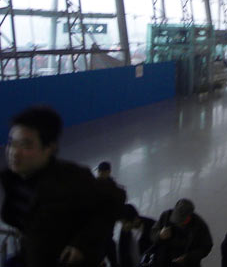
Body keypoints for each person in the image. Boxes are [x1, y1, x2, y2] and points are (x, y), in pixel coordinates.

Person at [1, 106, 124, 267]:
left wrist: (81, 244)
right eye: (12, 143)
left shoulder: (72, 178)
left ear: (49, 148)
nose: (14, 152)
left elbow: (115, 198)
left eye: (25, 145)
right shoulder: (12, 179)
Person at [150, 198, 212, 266]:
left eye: (181, 221)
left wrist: (188, 258)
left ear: (189, 217)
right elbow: (152, 234)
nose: (178, 223)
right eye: (176, 220)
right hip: (164, 261)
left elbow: (206, 247)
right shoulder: (166, 216)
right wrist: (159, 235)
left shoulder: (199, 225)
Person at [97, 161, 128, 267]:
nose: (101, 174)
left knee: (112, 258)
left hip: (106, 234)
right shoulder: (92, 187)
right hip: (98, 235)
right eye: (100, 172)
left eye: (103, 172)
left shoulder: (116, 190)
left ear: (108, 172)